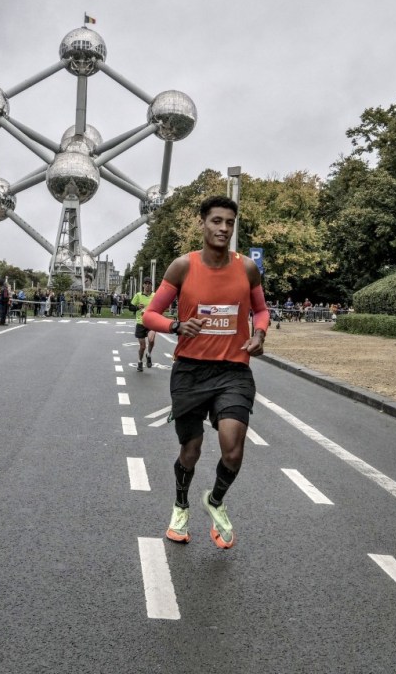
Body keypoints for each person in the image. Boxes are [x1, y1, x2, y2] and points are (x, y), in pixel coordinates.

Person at [142, 195, 269, 550]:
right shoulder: (183, 266)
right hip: (191, 371)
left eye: (229, 222)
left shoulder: (247, 268)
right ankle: (180, 505)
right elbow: (150, 314)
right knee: (191, 449)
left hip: (233, 370)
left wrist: (260, 334)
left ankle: (215, 500)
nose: (223, 228)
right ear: (202, 223)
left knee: (233, 449)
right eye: (216, 221)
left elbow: (261, 311)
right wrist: (177, 326)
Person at [130, 278, 157, 373]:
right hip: (140, 322)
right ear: (143, 285)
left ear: (151, 285)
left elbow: (160, 305)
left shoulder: (155, 295)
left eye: (149, 283)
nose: (147, 285)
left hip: (151, 322)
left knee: (151, 340)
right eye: (146, 283)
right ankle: (140, 362)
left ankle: (148, 355)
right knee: (142, 346)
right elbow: (130, 307)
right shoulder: (138, 295)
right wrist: (137, 307)